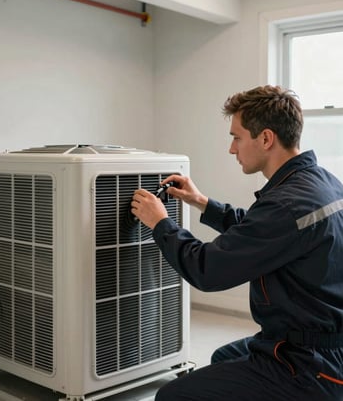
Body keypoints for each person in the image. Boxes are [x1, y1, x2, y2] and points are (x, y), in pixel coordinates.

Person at [131, 85, 343, 400]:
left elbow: (207, 269)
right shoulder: (320, 182)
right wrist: (201, 201)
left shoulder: (285, 204)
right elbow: (265, 233)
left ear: (267, 138)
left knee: (170, 396)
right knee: (224, 358)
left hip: (310, 364)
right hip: (324, 341)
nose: (232, 149)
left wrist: (160, 223)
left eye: (237, 137)